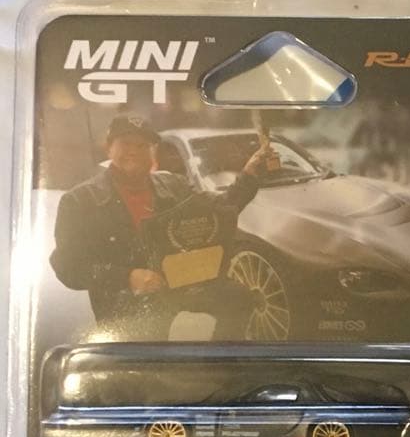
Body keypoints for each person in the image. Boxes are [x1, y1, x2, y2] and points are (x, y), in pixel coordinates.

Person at [50, 114, 277, 340]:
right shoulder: (79, 200)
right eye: (126, 143)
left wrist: (249, 175)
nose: (134, 151)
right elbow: (67, 266)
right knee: (150, 345)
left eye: (142, 146)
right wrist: (128, 277)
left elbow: (220, 209)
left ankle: (220, 359)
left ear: (153, 152)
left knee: (238, 298)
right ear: (109, 148)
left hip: (179, 283)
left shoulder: (173, 184)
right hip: (125, 302)